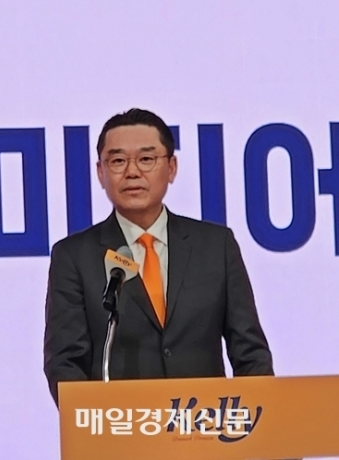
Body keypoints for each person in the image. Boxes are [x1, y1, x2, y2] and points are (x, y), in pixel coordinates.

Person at [44, 108, 273, 405]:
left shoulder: (216, 246)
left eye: (146, 159)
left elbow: (251, 353)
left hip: (205, 426)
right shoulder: (74, 256)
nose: (132, 172)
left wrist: (255, 420)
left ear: (171, 167)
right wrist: (95, 423)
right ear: (100, 173)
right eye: (117, 161)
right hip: (122, 428)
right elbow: (65, 363)